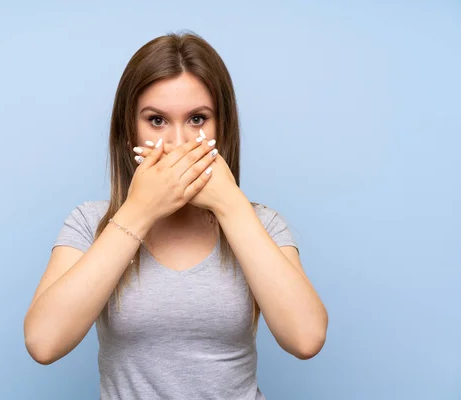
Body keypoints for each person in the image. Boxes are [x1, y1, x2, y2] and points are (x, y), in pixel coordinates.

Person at [24, 32, 328, 399]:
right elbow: (43, 342)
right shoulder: (91, 224)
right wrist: (138, 212)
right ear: (127, 131)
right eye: (156, 121)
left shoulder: (260, 224)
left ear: (222, 128)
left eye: (198, 119)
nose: (179, 143)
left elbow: (306, 338)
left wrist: (231, 205)